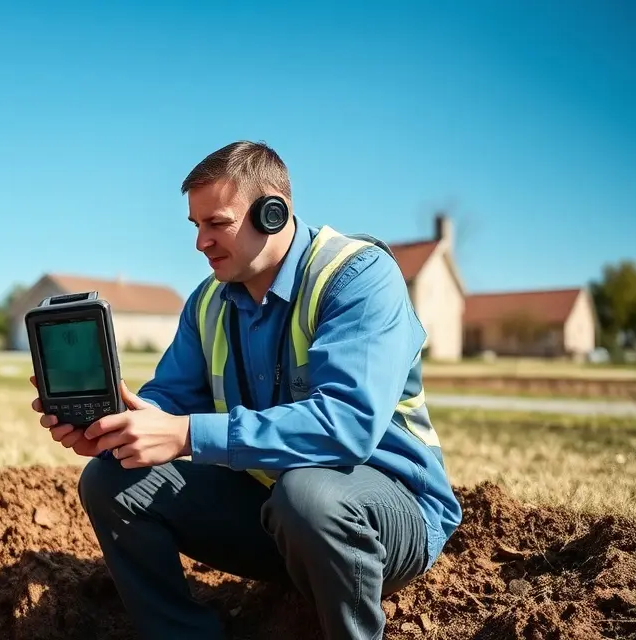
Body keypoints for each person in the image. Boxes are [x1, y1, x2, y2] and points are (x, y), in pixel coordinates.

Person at [30, 141, 463, 640]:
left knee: (310, 495)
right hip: (279, 515)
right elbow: (168, 401)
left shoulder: (358, 277)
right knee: (110, 481)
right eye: (195, 226)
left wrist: (188, 435)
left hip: (384, 517)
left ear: (273, 213)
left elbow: (348, 425)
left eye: (217, 223)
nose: (200, 242)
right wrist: (116, 429)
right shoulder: (208, 303)